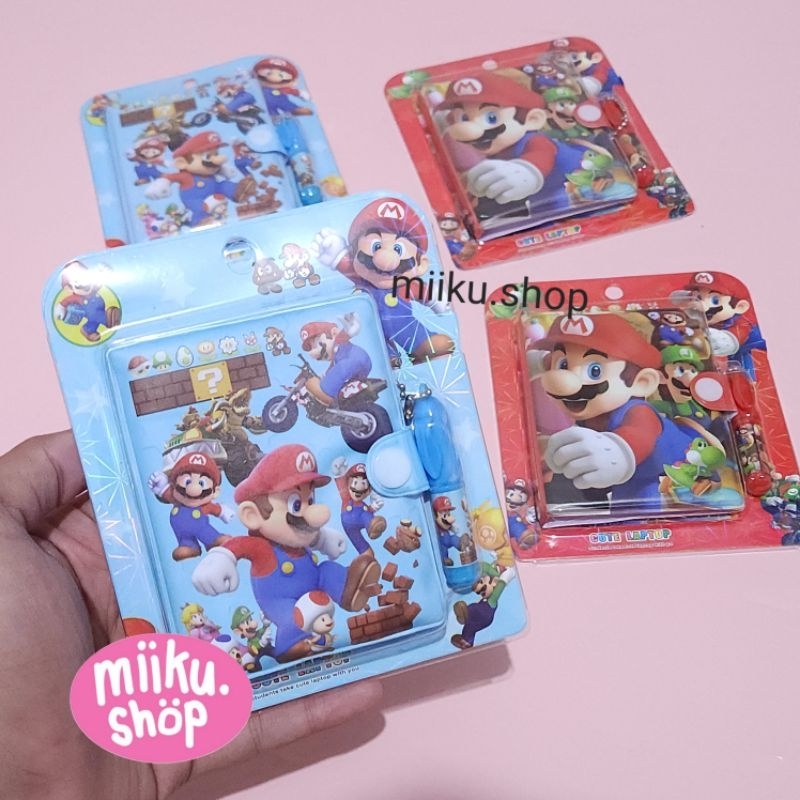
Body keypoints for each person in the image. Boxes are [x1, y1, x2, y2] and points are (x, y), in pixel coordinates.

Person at [0, 431, 382, 799]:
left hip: (313, 580)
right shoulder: (260, 544)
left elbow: (314, 532)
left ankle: (349, 589)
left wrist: (326, 539)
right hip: (282, 603)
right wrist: (219, 561)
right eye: (296, 504)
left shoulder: (306, 537)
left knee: (330, 572)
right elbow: (234, 548)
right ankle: (291, 638)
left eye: (309, 498)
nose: (312, 512)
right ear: (252, 513)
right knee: (291, 615)